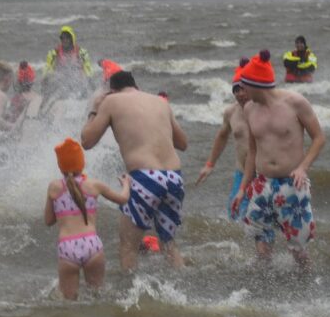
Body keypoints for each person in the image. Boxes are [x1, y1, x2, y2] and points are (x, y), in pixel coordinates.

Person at [81, 71, 188, 270]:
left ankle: (127, 296)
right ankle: (184, 290)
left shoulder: (111, 102)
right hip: (174, 178)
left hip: (146, 178)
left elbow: (86, 141)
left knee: (128, 247)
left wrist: (95, 109)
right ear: (135, 85)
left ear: (111, 90)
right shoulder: (160, 102)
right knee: (169, 244)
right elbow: (183, 143)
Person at [231, 50, 326, 268]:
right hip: (262, 184)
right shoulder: (249, 109)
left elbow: (319, 138)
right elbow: (252, 152)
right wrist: (242, 188)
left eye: (244, 85)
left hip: (291, 185)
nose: (241, 91)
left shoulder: (296, 103)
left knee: (298, 251)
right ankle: (265, 292)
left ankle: (306, 290)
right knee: (262, 250)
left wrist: (303, 168)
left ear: (256, 85)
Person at [44, 138, 130, 300]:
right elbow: (123, 199)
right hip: (92, 245)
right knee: (98, 296)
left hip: (67, 247)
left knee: (68, 302)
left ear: (60, 166)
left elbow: (48, 221)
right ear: (81, 163)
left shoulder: (54, 187)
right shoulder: (94, 185)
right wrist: (126, 184)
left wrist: (63, 209)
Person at [196, 57, 252, 221]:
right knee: (234, 213)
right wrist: (209, 164)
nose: (240, 94)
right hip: (241, 173)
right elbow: (222, 136)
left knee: (259, 220)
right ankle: (239, 247)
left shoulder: (263, 110)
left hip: (263, 174)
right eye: (236, 90)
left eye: (243, 89)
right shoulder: (231, 113)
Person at [41, 26, 94, 115]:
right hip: (60, 82)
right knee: (48, 86)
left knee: (88, 88)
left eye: (67, 38)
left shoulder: (82, 52)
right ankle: (42, 112)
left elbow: (88, 68)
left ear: (71, 39)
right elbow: (47, 68)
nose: (65, 40)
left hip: (77, 82)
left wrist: (89, 78)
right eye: (62, 38)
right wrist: (45, 79)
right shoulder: (54, 53)